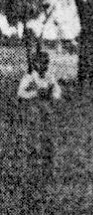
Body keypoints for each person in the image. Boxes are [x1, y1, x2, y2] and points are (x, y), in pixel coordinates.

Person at [17, 50, 63, 204]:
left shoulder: (50, 77)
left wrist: (53, 95)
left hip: (47, 112)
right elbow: (21, 93)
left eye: (46, 63)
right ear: (35, 64)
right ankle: (32, 170)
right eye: (40, 63)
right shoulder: (29, 78)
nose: (43, 66)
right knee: (33, 139)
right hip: (33, 112)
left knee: (48, 137)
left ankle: (49, 167)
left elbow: (57, 91)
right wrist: (35, 93)